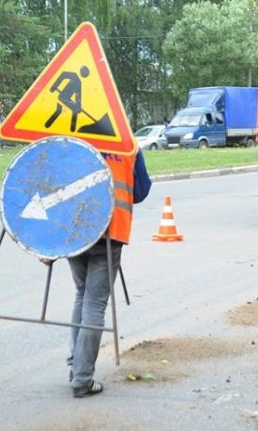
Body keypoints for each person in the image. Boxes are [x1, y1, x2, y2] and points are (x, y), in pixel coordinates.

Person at [67, 146, 151, 398]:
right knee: (94, 303)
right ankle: (82, 379)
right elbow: (139, 192)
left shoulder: (74, 142)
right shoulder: (128, 145)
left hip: (75, 232)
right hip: (110, 233)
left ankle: (75, 366)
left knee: (82, 295)